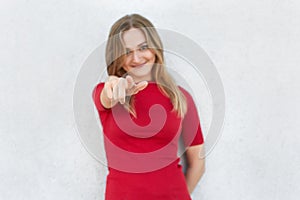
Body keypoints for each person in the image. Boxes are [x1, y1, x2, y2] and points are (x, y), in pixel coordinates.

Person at [92, 14, 205, 200]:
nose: (136, 58)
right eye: (126, 52)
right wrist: (114, 85)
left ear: (155, 49)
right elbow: (107, 94)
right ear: (117, 58)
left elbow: (198, 162)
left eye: (143, 48)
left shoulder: (180, 97)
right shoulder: (106, 92)